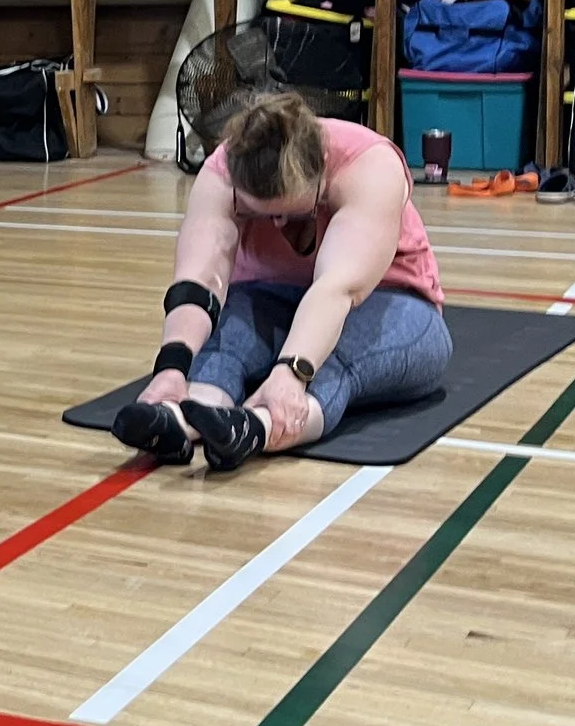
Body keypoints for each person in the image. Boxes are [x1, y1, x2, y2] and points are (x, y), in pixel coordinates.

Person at [115, 91, 450, 471]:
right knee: (226, 337)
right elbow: (198, 283)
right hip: (274, 301)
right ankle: (183, 417)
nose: (278, 227)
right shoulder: (221, 173)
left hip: (393, 304)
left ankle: (259, 426)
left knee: (334, 360)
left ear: (320, 179)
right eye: (261, 215)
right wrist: (171, 368)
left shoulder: (368, 166)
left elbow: (335, 290)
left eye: (293, 214)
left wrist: (291, 374)